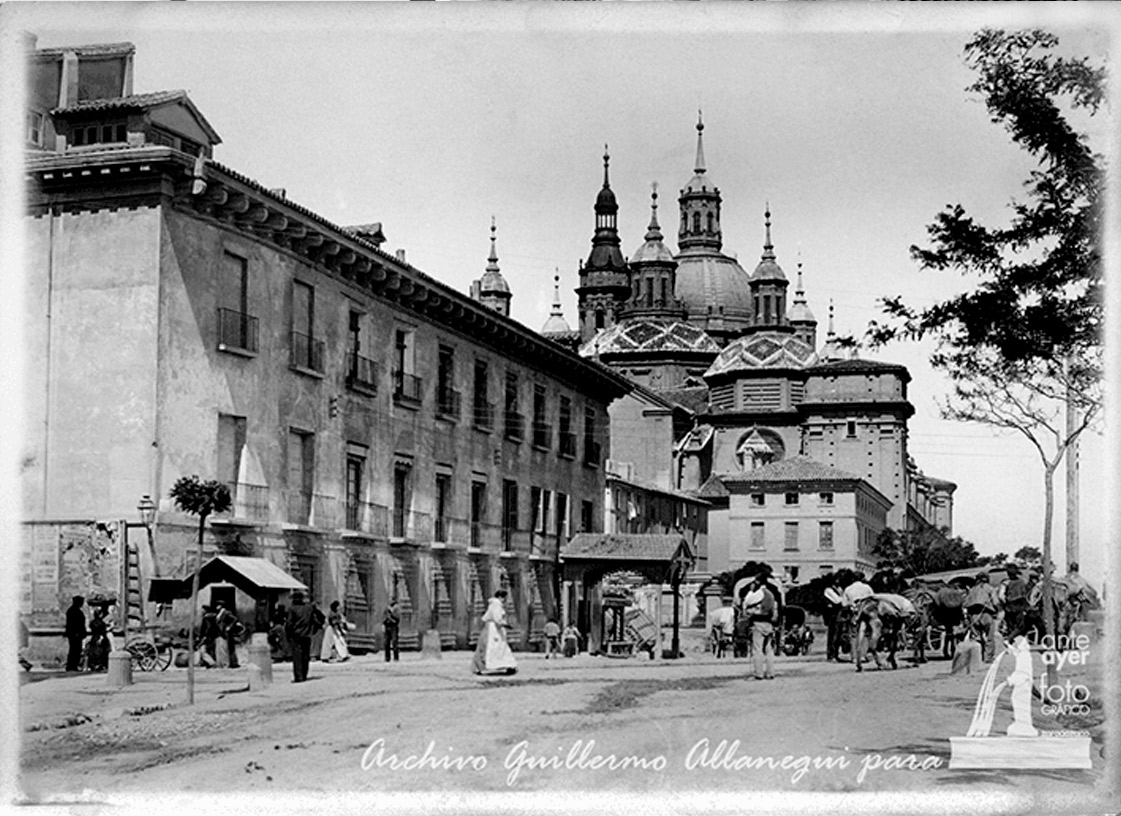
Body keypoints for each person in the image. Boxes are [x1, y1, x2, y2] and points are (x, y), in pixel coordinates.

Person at [472, 589, 517, 675]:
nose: (505, 600)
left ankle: (508, 665)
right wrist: (506, 625)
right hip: (494, 629)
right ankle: (507, 665)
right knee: (496, 648)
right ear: (500, 597)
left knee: (498, 647)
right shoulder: (496, 604)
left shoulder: (494, 604)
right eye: (504, 598)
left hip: (494, 628)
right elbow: (497, 619)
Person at [741, 575, 778, 680]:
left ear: (757, 582)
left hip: (758, 622)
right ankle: (770, 673)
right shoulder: (770, 594)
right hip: (768, 623)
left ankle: (759, 673)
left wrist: (750, 591)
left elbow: (747, 601)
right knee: (768, 649)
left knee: (757, 649)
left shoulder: (759, 593)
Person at [965, 572, 1001, 662]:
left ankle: (978, 657)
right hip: (986, 614)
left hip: (973, 616)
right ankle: (988, 657)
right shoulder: (989, 588)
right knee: (989, 637)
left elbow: (966, 603)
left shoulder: (972, 590)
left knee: (977, 637)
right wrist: (999, 610)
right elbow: (995, 602)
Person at [285, 591, 317, 683]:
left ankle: (299, 676)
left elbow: (289, 623)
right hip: (307, 634)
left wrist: (288, 634)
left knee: (297, 657)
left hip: (296, 634)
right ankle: (304, 674)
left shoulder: (292, 609)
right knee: (305, 656)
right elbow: (314, 620)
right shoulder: (308, 608)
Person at [999, 564, 1029, 639]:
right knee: (1020, 626)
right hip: (1020, 605)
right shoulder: (1022, 582)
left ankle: (1009, 639)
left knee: (1010, 626)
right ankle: (1011, 639)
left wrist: (1004, 603)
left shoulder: (1006, 582)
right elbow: (1025, 593)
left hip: (1009, 606)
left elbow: (1001, 596)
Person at [215, 600, 243, 668]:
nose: (216, 607)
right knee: (220, 648)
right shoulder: (219, 613)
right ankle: (221, 663)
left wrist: (229, 626)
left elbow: (235, 619)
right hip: (219, 632)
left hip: (224, 633)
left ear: (221, 606)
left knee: (224, 648)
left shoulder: (226, 612)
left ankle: (226, 664)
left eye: (217, 605)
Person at [822, 576, 844, 662]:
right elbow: (837, 600)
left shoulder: (839, 589)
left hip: (838, 614)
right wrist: (845, 599)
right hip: (832, 614)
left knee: (838, 634)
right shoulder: (829, 590)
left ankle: (835, 654)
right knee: (833, 634)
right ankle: (831, 655)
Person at [64, 596, 86, 672]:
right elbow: (73, 624)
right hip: (75, 634)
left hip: (76, 634)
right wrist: (77, 633)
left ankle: (73, 665)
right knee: (74, 650)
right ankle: (72, 665)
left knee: (76, 650)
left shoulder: (73, 611)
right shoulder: (73, 611)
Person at [86, 606, 111, 672]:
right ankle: (100, 664)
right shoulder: (102, 623)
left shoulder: (92, 623)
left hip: (94, 638)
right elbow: (103, 631)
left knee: (93, 651)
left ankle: (93, 664)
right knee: (101, 651)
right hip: (100, 637)